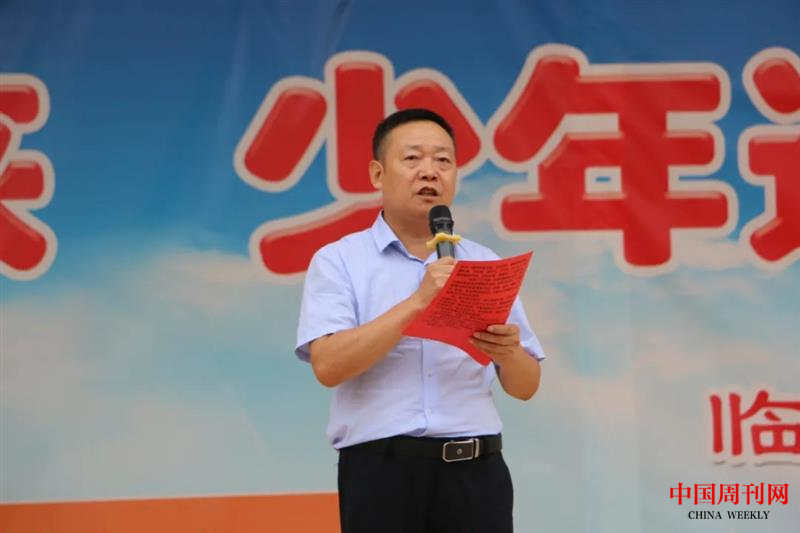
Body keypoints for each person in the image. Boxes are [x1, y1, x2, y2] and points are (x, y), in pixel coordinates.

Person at [295, 108, 545, 533]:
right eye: (412, 158)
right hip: (381, 473)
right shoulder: (339, 260)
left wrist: (508, 353)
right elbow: (328, 366)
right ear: (378, 174)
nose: (430, 171)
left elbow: (526, 386)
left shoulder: (483, 262)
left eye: (443, 160)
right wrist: (419, 302)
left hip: (476, 472)